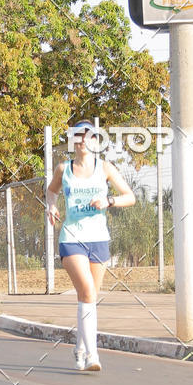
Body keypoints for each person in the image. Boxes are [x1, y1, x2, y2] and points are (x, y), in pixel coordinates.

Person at [46, 121, 135, 371]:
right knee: (86, 291)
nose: (83, 140)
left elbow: (130, 197)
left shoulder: (105, 168)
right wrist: (51, 205)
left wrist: (109, 200)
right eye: (78, 135)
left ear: (96, 141)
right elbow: (51, 191)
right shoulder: (64, 169)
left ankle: (80, 347)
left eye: (88, 136)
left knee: (89, 297)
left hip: (98, 239)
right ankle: (93, 356)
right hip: (72, 238)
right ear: (73, 140)